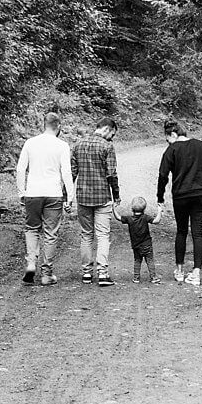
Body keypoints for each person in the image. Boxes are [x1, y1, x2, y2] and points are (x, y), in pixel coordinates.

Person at [16, 112, 74, 286]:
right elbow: (66, 172)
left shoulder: (30, 143)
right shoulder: (62, 146)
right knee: (50, 233)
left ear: (44, 124)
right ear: (59, 127)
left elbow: (20, 169)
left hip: (32, 193)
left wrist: (21, 192)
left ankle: (31, 263)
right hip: (53, 193)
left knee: (32, 229)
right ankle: (46, 274)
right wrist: (69, 197)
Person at [157, 120, 202, 286]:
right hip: (200, 195)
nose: (167, 141)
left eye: (167, 138)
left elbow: (163, 175)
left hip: (181, 196)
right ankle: (196, 273)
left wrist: (160, 198)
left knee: (181, 231)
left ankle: (179, 270)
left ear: (174, 134)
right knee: (197, 233)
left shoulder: (172, 149)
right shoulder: (201, 145)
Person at [71, 116, 120, 286]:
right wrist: (117, 195)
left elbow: (72, 173)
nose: (112, 137)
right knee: (103, 235)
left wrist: (67, 195)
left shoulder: (78, 145)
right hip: (102, 197)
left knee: (86, 235)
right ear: (107, 129)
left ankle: (86, 273)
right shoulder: (107, 146)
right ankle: (102, 274)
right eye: (112, 134)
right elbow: (111, 174)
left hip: (83, 197)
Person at [113, 196, 163, 284]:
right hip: (147, 244)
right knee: (150, 260)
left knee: (137, 260)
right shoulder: (145, 217)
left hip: (136, 245)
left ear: (132, 208)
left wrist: (113, 208)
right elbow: (156, 221)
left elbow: (118, 217)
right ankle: (153, 277)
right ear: (144, 208)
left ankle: (136, 278)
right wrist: (159, 211)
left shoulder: (129, 219)